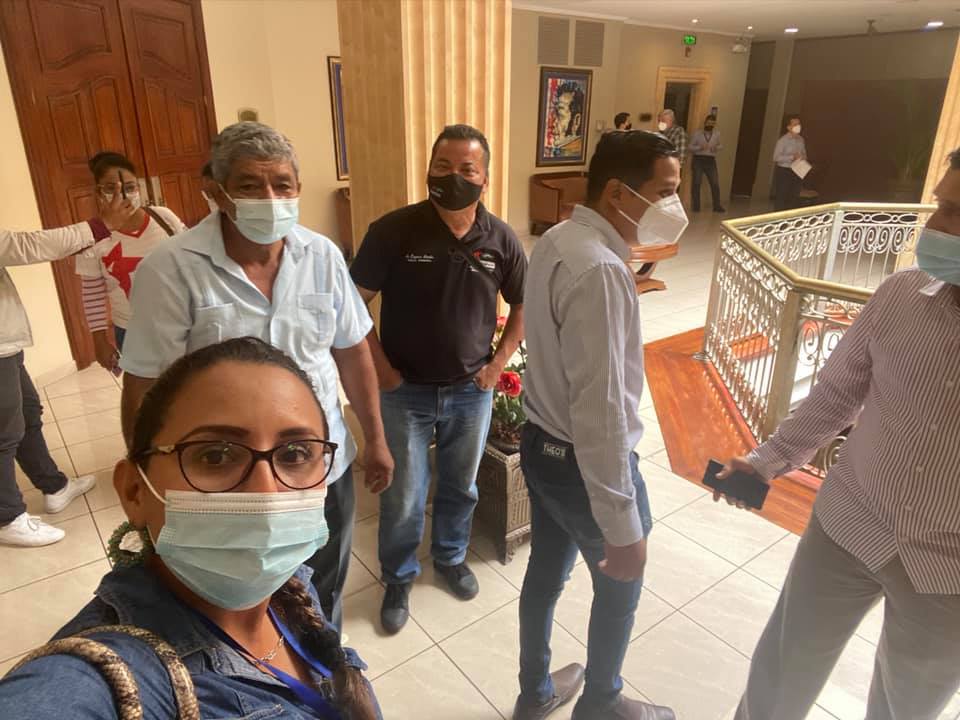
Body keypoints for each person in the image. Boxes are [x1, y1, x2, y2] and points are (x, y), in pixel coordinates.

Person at [0, 337, 382, 719]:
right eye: (215, 455)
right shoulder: (100, 679)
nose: (267, 493)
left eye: (295, 453)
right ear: (134, 491)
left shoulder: (293, 587)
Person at [118, 122, 393, 633]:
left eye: (282, 185)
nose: (269, 198)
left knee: (324, 582)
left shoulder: (322, 256)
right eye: (249, 185)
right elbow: (144, 383)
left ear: (297, 188)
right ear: (217, 191)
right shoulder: (172, 268)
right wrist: (147, 480)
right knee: (236, 600)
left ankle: (322, 661)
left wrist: (375, 439)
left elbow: (353, 351)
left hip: (320, 466)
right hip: (228, 479)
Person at [717, 151, 960, 720]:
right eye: (940, 204)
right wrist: (766, 461)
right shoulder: (900, 296)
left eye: (954, 212)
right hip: (848, 522)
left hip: (949, 571)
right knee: (781, 676)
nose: (934, 224)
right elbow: (836, 394)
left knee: (907, 708)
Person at [516, 130, 685, 720]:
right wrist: (622, 522)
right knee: (619, 583)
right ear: (617, 192)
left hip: (541, 445)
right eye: (664, 192)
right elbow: (602, 410)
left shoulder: (558, 237)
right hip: (580, 466)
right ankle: (602, 704)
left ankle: (535, 691)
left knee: (544, 574)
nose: (675, 207)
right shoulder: (602, 270)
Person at [350, 124, 526, 634]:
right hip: (404, 392)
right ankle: (398, 576)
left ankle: (450, 557)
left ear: (485, 178)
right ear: (428, 170)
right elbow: (352, 305)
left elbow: (524, 304)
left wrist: (497, 364)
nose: (453, 178)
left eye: (467, 169)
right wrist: (382, 369)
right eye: (442, 167)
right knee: (404, 493)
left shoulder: (501, 238)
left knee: (460, 485)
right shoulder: (394, 230)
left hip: (472, 392)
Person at [0, 196, 136, 546]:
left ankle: (54, 486)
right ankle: (8, 516)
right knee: (5, 430)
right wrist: (99, 226)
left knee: (28, 412)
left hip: (6, 343)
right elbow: (26, 245)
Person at [76, 152, 186, 373]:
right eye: (111, 189)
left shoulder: (163, 217)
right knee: (148, 390)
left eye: (130, 187)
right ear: (98, 193)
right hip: (132, 331)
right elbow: (93, 294)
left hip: (181, 322)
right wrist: (99, 340)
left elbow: (193, 258)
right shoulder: (90, 237)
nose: (123, 195)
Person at [688, 115, 725, 213]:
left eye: (712, 123)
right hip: (698, 159)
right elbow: (690, 147)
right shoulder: (697, 134)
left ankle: (717, 206)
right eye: (708, 122)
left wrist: (716, 148)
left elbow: (721, 145)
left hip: (710, 160)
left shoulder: (717, 134)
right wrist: (699, 147)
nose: (710, 125)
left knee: (715, 183)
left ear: (714, 124)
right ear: (705, 122)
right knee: (697, 183)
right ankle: (696, 206)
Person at [772, 115, 807, 211]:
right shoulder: (783, 141)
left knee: (794, 197)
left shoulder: (801, 140)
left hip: (798, 170)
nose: (798, 126)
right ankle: (778, 218)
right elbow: (776, 157)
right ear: (788, 127)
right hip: (784, 171)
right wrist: (792, 157)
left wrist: (803, 157)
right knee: (782, 197)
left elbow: (804, 153)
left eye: (799, 124)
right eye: (794, 124)